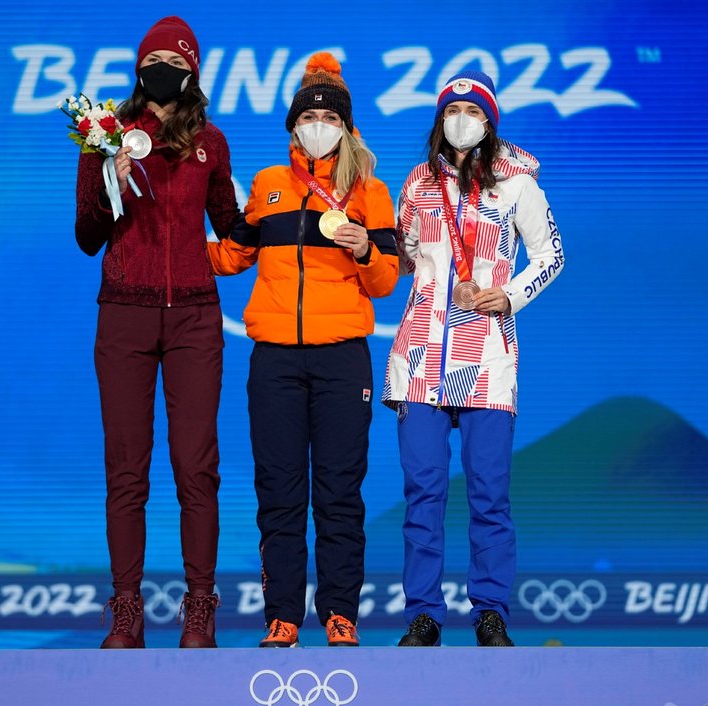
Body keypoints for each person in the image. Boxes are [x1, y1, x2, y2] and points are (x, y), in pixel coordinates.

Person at [208, 52, 398, 648]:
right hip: (276, 362)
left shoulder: (370, 190)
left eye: (328, 116)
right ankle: (282, 615)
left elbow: (386, 280)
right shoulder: (267, 186)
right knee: (279, 490)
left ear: (346, 127)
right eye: (307, 115)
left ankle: (340, 614)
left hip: (343, 355)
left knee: (340, 491)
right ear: (292, 125)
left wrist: (365, 249)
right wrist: (166, 232)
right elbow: (231, 256)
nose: (317, 124)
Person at [74, 16, 240, 649]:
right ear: (139, 69)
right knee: (127, 470)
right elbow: (88, 238)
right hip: (124, 312)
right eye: (154, 60)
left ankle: (200, 609)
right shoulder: (104, 139)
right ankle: (126, 611)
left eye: (175, 61)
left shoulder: (212, 144)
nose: (163, 70)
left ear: (191, 73)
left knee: (197, 468)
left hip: (197, 316)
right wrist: (109, 182)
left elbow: (230, 224)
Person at [383, 70, 565, 647]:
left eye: (472, 109)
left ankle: (490, 611)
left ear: (488, 120)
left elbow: (551, 254)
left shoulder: (517, 184)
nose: (460, 118)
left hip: (486, 356)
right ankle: (423, 615)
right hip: (420, 356)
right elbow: (406, 259)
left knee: (488, 491)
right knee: (423, 491)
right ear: (439, 119)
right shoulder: (416, 183)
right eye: (451, 109)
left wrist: (509, 295)